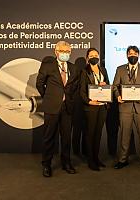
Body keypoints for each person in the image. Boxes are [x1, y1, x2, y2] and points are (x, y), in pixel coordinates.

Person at [36, 41, 80, 177]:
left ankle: (66, 163)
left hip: (68, 108)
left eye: (68, 52)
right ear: (56, 52)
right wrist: (49, 97)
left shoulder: (74, 68)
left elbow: (75, 86)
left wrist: (69, 99)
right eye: (63, 51)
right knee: (49, 137)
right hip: (51, 107)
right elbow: (39, 84)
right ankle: (46, 165)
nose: (65, 54)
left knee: (66, 137)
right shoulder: (47, 66)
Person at [113, 45, 140, 170]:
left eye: (135, 53)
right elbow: (115, 86)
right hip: (125, 107)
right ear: (127, 55)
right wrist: (118, 96)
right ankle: (122, 160)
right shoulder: (120, 69)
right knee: (124, 135)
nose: (132, 55)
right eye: (130, 53)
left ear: (138, 55)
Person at [80, 48, 109, 171]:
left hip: (102, 105)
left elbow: (108, 85)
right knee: (90, 133)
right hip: (91, 106)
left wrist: (105, 85)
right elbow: (81, 91)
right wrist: (89, 101)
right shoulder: (84, 71)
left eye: (96, 55)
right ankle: (90, 160)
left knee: (98, 133)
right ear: (87, 58)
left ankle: (96, 158)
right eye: (91, 55)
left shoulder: (103, 70)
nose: (94, 57)